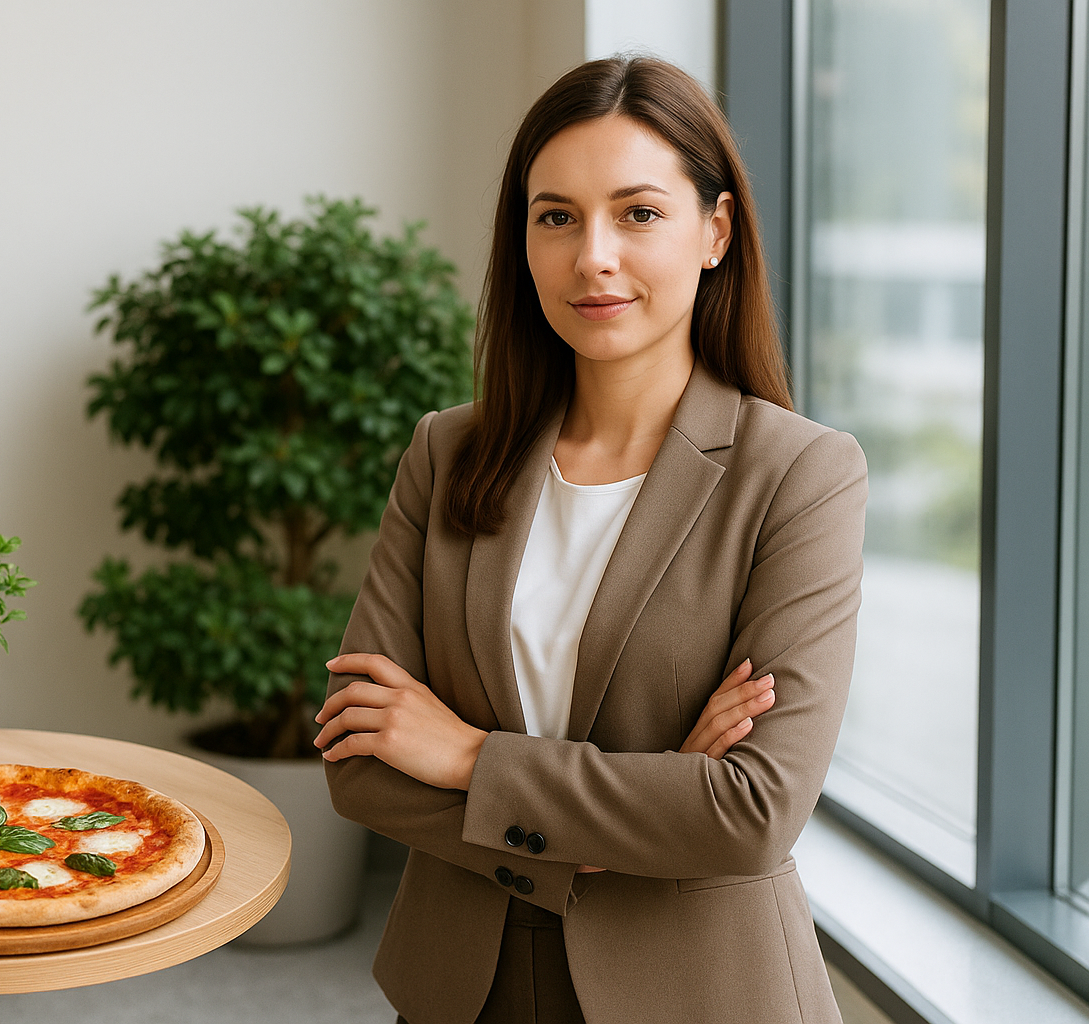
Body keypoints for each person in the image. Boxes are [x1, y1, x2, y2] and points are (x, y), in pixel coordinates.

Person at [315, 55, 866, 1024]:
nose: (592, 256)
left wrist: (467, 759)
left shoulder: (800, 474)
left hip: (697, 990)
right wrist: (644, 808)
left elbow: (749, 812)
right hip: (460, 988)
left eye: (638, 213)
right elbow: (360, 763)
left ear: (716, 231)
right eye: (556, 215)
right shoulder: (448, 452)